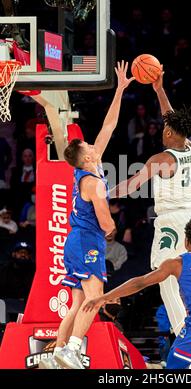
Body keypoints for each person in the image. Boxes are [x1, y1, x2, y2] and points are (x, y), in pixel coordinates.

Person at [38, 61, 134, 369]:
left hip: (77, 240)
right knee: (96, 298)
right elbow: (106, 222)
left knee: (78, 302)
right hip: (87, 241)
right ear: (88, 155)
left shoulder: (91, 166)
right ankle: (73, 350)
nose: (95, 144)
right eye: (90, 146)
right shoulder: (92, 181)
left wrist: (119, 90)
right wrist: (112, 227)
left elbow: (109, 126)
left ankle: (57, 353)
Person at [83, 219, 191, 369]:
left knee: (172, 369)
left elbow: (139, 282)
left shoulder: (177, 263)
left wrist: (104, 297)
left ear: (186, 240)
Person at [110, 68, 191, 336]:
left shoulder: (161, 160)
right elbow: (171, 116)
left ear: (171, 133)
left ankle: (183, 329)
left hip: (172, 220)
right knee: (183, 275)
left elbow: (132, 185)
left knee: (164, 275)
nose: (162, 130)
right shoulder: (190, 147)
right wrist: (159, 89)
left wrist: (101, 191)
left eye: (165, 128)